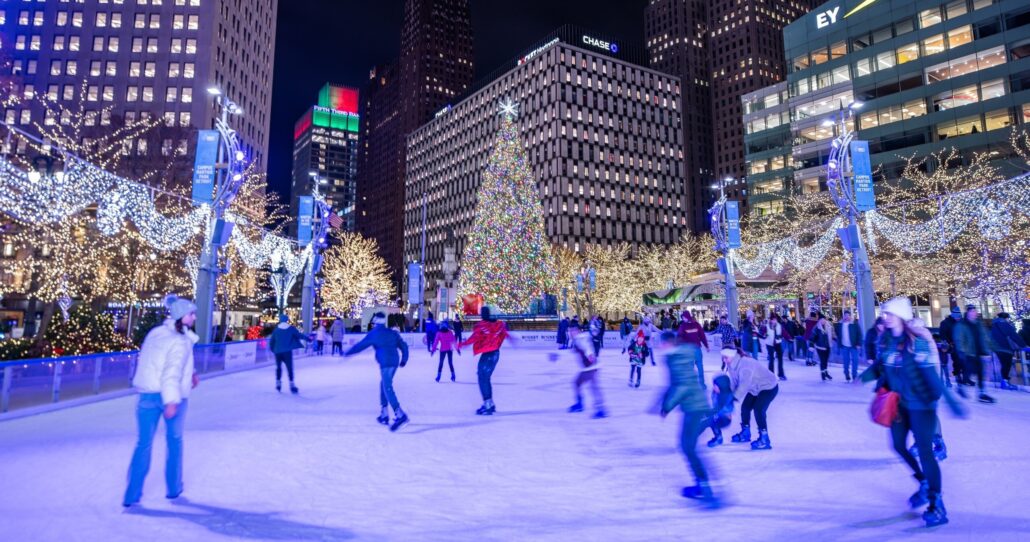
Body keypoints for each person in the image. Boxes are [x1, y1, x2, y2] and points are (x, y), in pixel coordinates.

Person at [862, 297, 964, 527]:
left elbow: (930, 375)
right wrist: (863, 378)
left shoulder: (916, 341)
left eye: (888, 314)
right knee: (898, 445)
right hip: (898, 404)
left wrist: (951, 401)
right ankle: (923, 482)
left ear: (900, 316)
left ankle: (936, 503)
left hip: (921, 404)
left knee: (925, 452)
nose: (884, 317)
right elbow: (880, 366)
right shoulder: (886, 340)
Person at [123, 296, 200, 507]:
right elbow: (171, 372)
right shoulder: (180, 341)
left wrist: (191, 372)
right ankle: (174, 488)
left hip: (147, 395)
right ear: (181, 317)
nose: (194, 317)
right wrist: (171, 401)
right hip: (171, 396)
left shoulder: (156, 334)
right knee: (174, 442)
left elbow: (158, 361)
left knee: (143, 444)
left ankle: (132, 493)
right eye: (191, 313)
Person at [657, 331, 720, 507]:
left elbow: (682, 386)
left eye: (662, 343)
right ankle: (704, 483)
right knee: (688, 447)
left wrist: (667, 406)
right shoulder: (677, 356)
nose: (660, 347)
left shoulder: (677, 359)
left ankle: (705, 486)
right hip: (694, 407)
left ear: (669, 343)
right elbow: (674, 385)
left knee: (688, 447)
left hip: (695, 409)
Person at [344, 312, 411, 431]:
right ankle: (384, 414)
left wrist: (347, 353)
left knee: (387, 387)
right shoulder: (392, 332)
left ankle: (400, 414)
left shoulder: (374, 334)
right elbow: (404, 346)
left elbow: (360, 346)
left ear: (375, 322)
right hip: (394, 362)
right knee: (383, 385)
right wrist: (404, 359)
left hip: (385, 364)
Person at [461, 306, 517, 415]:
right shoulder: (498, 324)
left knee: (482, 378)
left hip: (488, 355)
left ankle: (488, 404)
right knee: (485, 378)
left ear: (482, 314)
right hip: (495, 354)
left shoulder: (481, 326)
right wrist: (511, 339)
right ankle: (489, 403)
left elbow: (473, 338)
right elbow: (505, 334)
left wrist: (461, 344)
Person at [723, 347, 780, 450]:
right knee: (745, 408)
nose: (724, 360)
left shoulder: (745, 364)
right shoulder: (731, 365)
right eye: (723, 357)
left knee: (758, 410)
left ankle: (764, 439)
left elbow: (744, 384)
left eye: (725, 357)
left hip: (768, 386)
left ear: (732, 355)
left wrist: (733, 399)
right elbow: (735, 383)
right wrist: (728, 396)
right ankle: (746, 433)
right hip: (755, 388)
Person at [953, 304, 995, 403]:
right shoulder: (962, 324)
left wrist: (991, 347)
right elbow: (959, 339)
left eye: (975, 311)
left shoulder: (979, 324)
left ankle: (981, 393)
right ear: (967, 313)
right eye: (972, 312)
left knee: (980, 372)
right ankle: (962, 387)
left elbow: (985, 337)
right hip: (968, 352)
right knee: (969, 372)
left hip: (978, 351)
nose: (974, 313)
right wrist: (961, 350)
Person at [567, 321, 606, 418]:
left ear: (578, 331)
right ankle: (580, 404)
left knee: (593, 388)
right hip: (586, 368)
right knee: (577, 383)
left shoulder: (581, 338)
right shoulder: (576, 340)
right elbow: (571, 352)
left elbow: (587, 347)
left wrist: (590, 355)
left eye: (573, 331)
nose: (571, 333)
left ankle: (601, 410)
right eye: (570, 331)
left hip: (591, 367)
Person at [269, 314, 306, 394]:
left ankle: (278, 383)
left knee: (278, 367)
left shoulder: (276, 330)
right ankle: (292, 385)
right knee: (289, 368)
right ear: (286, 320)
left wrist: (273, 350)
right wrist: (308, 338)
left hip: (278, 352)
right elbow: (299, 335)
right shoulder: (290, 329)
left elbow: (272, 342)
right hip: (287, 353)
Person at [990, 312, 1026, 391]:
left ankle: (1004, 381)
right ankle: (1005, 382)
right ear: (1006, 318)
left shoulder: (994, 325)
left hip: (997, 348)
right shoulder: (1005, 325)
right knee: (1007, 365)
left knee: (1004, 364)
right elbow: (1014, 335)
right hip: (1005, 348)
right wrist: (1023, 345)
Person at [676, 311, 710, 388]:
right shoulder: (692, 325)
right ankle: (698, 385)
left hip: (691, 350)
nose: (683, 319)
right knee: (696, 367)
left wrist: (706, 345)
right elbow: (702, 336)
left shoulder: (686, 326)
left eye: (684, 317)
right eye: (682, 318)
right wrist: (706, 346)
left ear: (687, 317)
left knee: (694, 368)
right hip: (693, 349)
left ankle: (696, 385)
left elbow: (702, 335)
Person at [835, 310, 863, 382]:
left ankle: (854, 375)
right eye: (845, 315)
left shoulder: (854, 324)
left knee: (855, 360)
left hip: (854, 346)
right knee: (846, 361)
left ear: (850, 316)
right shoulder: (840, 325)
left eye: (848, 315)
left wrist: (859, 344)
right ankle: (847, 374)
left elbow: (859, 334)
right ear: (843, 316)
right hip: (844, 346)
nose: (847, 317)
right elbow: (836, 333)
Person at [938, 307, 962, 386]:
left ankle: (959, 376)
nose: (959, 318)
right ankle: (957, 377)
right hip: (951, 346)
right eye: (958, 316)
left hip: (959, 344)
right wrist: (948, 343)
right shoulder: (945, 323)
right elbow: (943, 335)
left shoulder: (959, 322)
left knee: (960, 361)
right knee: (955, 362)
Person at [760, 314, 786, 381]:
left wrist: (789, 338)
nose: (774, 321)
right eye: (773, 319)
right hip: (769, 344)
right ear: (771, 320)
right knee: (771, 359)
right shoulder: (767, 326)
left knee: (780, 358)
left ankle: (781, 374)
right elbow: (762, 334)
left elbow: (784, 333)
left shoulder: (779, 326)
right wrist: (764, 335)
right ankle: (770, 375)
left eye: (775, 319)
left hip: (778, 343)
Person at [812, 316, 833, 381]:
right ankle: (823, 374)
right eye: (821, 320)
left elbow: (832, 334)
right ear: (819, 321)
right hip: (820, 347)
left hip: (828, 346)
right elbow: (813, 336)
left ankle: (826, 373)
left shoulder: (829, 326)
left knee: (826, 361)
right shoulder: (817, 328)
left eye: (824, 320)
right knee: (822, 361)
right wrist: (811, 345)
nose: (823, 321)